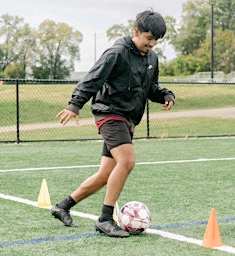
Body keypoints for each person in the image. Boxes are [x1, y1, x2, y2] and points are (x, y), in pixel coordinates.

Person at [51, 10, 175, 238]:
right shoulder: (117, 52)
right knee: (127, 161)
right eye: (148, 39)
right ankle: (105, 219)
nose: (152, 44)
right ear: (136, 32)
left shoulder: (151, 58)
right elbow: (93, 78)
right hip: (109, 114)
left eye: (156, 41)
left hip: (127, 119)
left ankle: (62, 207)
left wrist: (165, 94)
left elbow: (150, 87)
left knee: (105, 174)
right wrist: (74, 104)